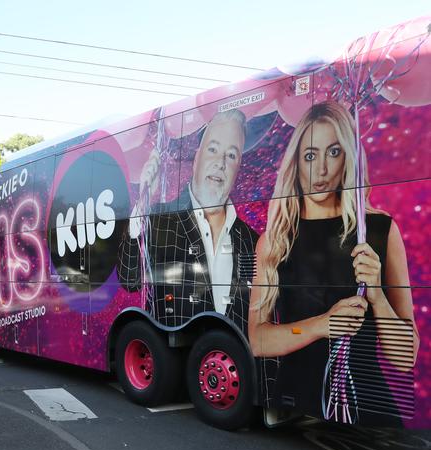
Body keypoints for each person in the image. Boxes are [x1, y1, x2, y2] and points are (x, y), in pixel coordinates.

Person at [248, 100, 419, 421]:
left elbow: (406, 357)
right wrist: (319, 326)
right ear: (296, 162)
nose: (321, 170)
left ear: (348, 159)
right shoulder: (275, 238)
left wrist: (379, 297)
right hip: (298, 398)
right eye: (310, 156)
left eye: (334, 152)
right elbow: (259, 339)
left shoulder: (380, 231)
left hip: (369, 406)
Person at [118, 109, 258, 333]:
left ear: (238, 166)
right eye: (213, 149)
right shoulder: (160, 218)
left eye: (231, 155)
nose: (221, 163)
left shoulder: (253, 240)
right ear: (197, 157)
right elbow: (130, 279)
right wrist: (143, 201)